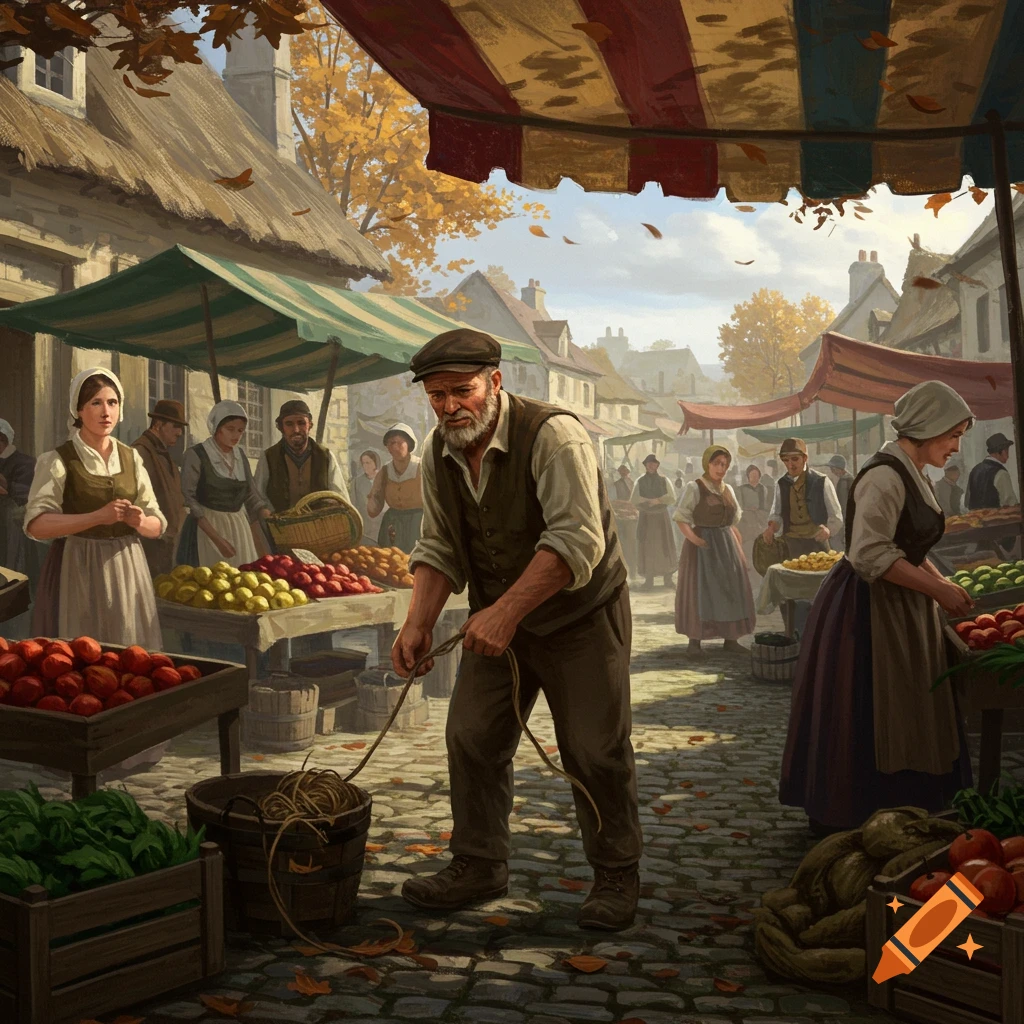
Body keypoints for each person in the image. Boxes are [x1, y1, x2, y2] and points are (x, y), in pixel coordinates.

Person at [392, 328, 642, 931]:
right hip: (494, 621)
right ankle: (479, 864)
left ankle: (616, 873)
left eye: (462, 391)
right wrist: (418, 622)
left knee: (593, 749)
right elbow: (440, 544)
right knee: (472, 734)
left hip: (580, 616)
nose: (450, 406)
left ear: (496, 383)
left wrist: (505, 612)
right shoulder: (438, 451)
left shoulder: (554, 436)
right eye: (436, 396)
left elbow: (575, 541)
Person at [779, 381, 975, 833]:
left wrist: (939, 580)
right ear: (927, 428)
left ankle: (913, 802)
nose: (955, 446)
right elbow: (869, 554)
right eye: (952, 435)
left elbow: (908, 542)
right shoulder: (884, 476)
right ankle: (865, 809)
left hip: (905, 603)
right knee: (873, 703)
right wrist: (937, 590)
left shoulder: (912, 471)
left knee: (911, 702)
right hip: (868, 609)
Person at [674, 445, 756, 657]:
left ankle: (731, 639)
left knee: (731, 588)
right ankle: (695, 642)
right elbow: (681, 518)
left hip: (727, 544)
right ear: (707, 464)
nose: (721, 468)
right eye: (717, 463)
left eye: (724, 465)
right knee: (701, 591)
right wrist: (695, 540)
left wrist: (739, 550)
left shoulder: (728, 490)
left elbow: (733, 520)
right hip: (703, 546)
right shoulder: (695, 487)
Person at [177, 401, 270, 568]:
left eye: (240, 430)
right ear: (216, 428)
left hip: (239, 528)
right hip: (208, 527)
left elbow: (250, 492)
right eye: (230, 429)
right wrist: (217, 540)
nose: (236, 435)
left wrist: (264, 512)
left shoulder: (240, 455)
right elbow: (189, 499)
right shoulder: (196, 455)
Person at [254, 399, 350, 513]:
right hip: (280, 528)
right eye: (289, 424)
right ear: (281, 428)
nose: (296, 430)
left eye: (301, 423)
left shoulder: (326, 457)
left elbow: (341, 497)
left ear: (310, 425)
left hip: (319, 527)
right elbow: (258, 498)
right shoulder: (268, 458)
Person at [131, 400, 187, 577]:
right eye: (176, 426)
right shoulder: (139, 452)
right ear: (157, 424)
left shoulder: (161, 452)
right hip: (149, 543)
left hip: (166, 542)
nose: (180, 432)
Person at [761, 438, 843, 558]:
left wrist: (828, 530)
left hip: (817, 543)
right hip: (790, 544)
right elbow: (776, 514)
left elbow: (836, 516)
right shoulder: (781, 484)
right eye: (786, 460)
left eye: (794, 459)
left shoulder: (821, 481)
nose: (790, 464)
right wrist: (771, 528)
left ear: (805, 458)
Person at [366, 423, 423, 553]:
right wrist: (373, 500)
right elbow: (375, 503)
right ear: (387, 448)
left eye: (399, 443)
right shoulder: (385, 471)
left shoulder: (421, 467)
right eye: (391, 443)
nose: (395, 447)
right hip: (392, 522)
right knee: (390, 559)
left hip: (417, 522)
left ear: (409, 445)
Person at [630, 454, 677, 590]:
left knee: (664, 545)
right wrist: (645, 500)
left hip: (661, 517)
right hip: (646, 518)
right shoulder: (639, 481)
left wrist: (659, 500)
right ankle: (648, 580)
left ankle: (667, 579)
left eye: (653, 464)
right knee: (648, 547)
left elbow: (672, 497)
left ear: (657, 465)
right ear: (645, 466)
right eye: (648, 464)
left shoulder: (664, 480)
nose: (651, 466)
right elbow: (634, 499)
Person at [966, 432, 1017, 509]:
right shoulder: (1001, 473)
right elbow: (1011, 503)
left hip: (975, 519)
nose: (1008, 455)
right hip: (997, 519)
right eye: (1006, 451)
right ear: (1001, 451)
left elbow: (967, 502)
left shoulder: (975, 470)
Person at [736, 463, 769, 565]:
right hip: (746, 518)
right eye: (752, 475)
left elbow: (765, 506)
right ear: (748, 477)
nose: (755, 477)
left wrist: (760, 512)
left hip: (760, 517)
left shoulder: (763, 489)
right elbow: (739, 506)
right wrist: (748, 510)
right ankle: (746, 561)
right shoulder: (741, 489)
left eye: (756, 475)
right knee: (747, 541)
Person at [351, 449, 385, 545]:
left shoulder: (385, 479)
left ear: (376, 462)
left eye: (368, 463)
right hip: (365, 526)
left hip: (382, 525)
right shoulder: (357, 482)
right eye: (363, 463)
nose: (365, 466)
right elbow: (353, 505)